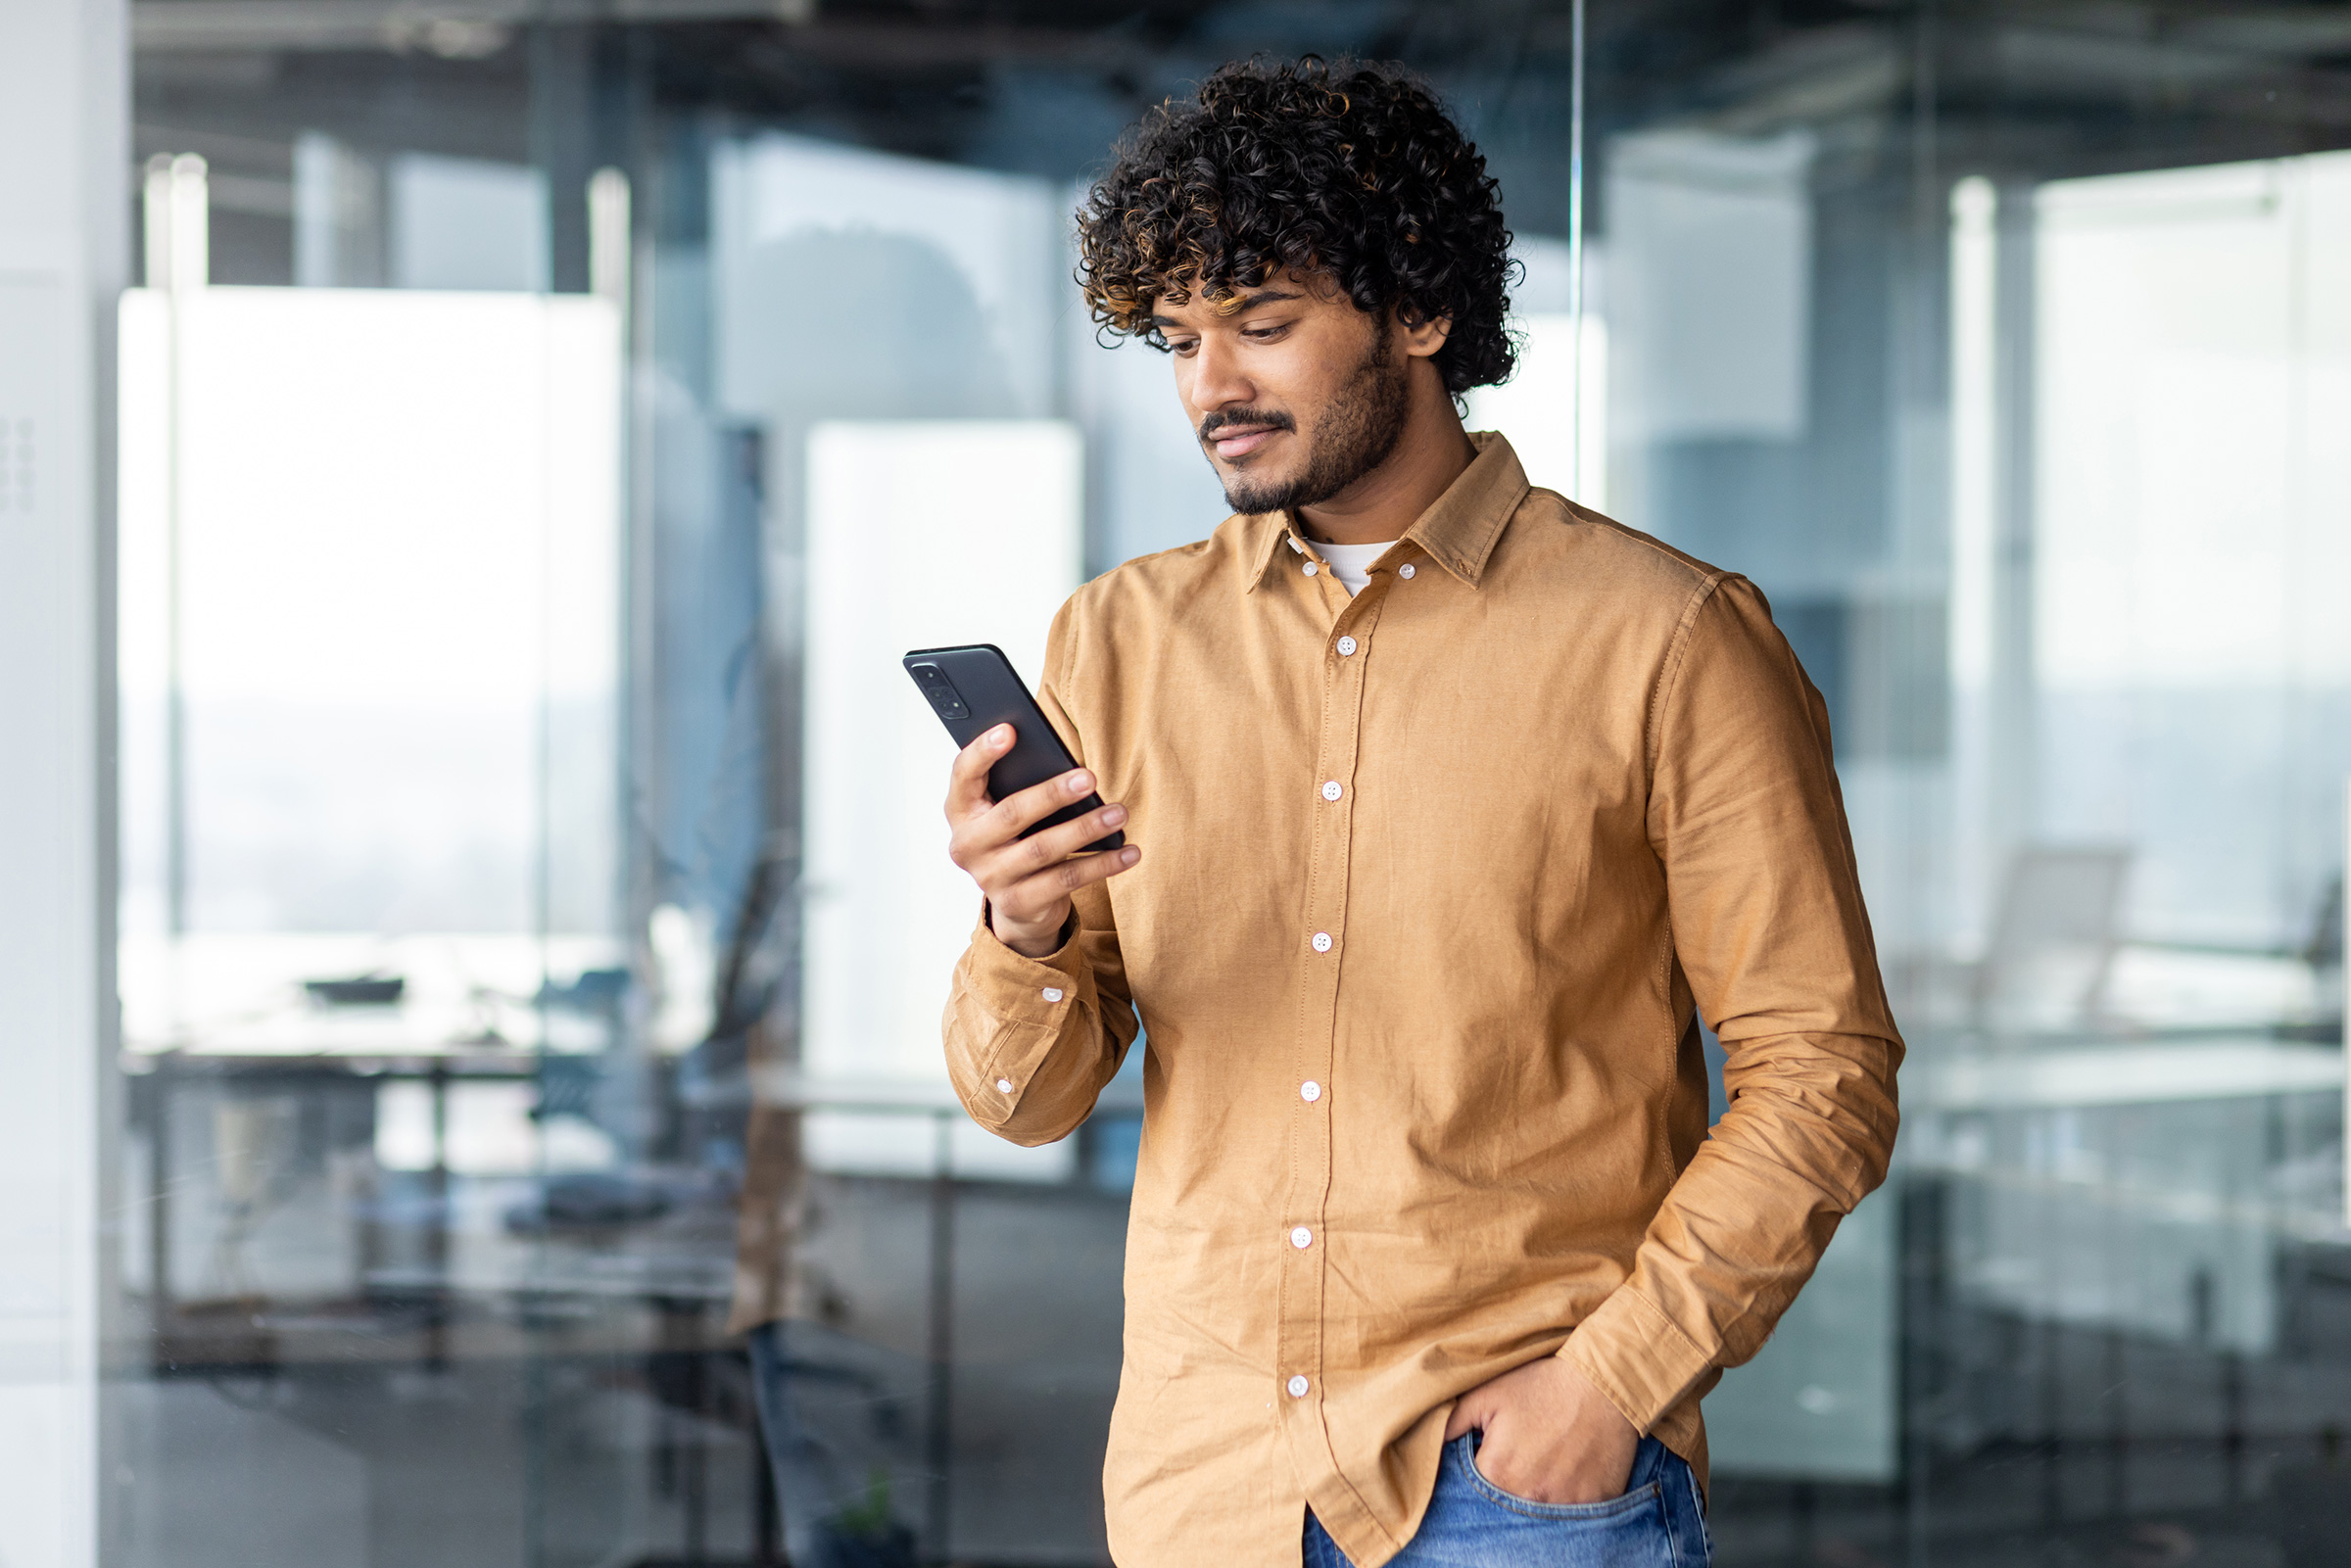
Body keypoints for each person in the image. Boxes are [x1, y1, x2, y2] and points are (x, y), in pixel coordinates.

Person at [937, 57, 1901, 1568]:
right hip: (1205, 1485)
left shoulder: (1669, 636)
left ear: (1422, 312)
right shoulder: (1114, 641)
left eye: (1263, 325)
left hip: (1518, 1487)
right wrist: (1024, 920)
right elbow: (1028, 1099)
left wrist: (1614, 1384)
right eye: (1180, 337)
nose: (1212, 385)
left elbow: (1822, 1065)